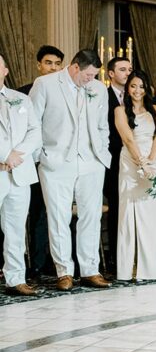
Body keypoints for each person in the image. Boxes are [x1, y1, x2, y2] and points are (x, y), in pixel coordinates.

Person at [30, 49, 112, 291]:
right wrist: (40, 156)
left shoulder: (98, 89)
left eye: (95, 75)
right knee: (59, 217)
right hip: (56, 162)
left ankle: (90, 270)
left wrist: (102, 152)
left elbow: (102, 126)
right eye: (88, 74)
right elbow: (33, 121)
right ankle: (64, 271)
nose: (91, 79)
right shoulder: (45, 84)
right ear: (75, 67)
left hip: (91, 161)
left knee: (91, 215)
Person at [113, 70, 156, 281]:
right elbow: (128, 140)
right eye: (133, 86)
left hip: (152, 159)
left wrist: (151, 162)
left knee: (152, 210)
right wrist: (141, 163)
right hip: (131, 162)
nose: (137, 90)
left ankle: (155, 265)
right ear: (127, 88)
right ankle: (132, 266)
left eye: (141, 86)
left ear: (147, 88)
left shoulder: (155, 109)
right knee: (132, 210)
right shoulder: (120, 111)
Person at [17, 45, 63, 283]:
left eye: (57, 64)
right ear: (38, 65)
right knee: (34, 211)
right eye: (48, 63)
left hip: (57, 161)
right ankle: (33, 264)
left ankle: (51, 261)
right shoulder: (22, 94)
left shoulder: (66, 93)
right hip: (29, 162)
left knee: (53, 212)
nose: (52, 68)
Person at [0, 52, 42, 296]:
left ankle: (15, 278)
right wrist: (4, 156)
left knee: (15, 228)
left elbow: (35, 131)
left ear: (6, 71)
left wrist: (17, 154)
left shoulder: (21, 99)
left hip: (19, 173)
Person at [103, 56, 131, 270]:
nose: (127, 73)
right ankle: (114, 255)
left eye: (129, 69)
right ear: (111, 73)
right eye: (122, 69)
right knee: (115, 206)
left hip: (132, 158)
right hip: (111, 160)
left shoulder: (136, 96)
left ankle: (131, 251)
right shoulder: (103, 96)